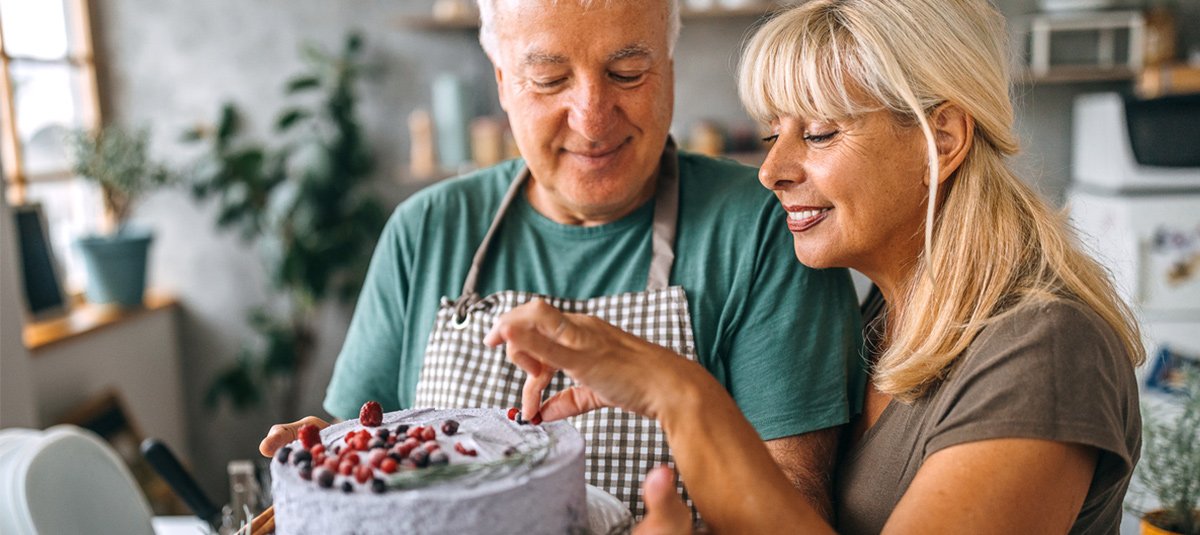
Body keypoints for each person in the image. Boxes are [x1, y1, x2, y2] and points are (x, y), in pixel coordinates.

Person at [487, 0, 1146, 532]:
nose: (772, 171)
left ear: (940, 139)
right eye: (775, 133)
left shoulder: (1045, 348)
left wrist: (682, 395)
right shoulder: (889, 318)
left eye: (821, 133)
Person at [258, 0, 864, 519]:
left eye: (628, 72)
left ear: (670, 69)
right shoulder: (427, 230)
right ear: (501, 81)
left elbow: (796, 511)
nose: (593, 118)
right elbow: (362, 458)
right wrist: (321, 456)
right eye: (549, 80)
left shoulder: (767, 228)